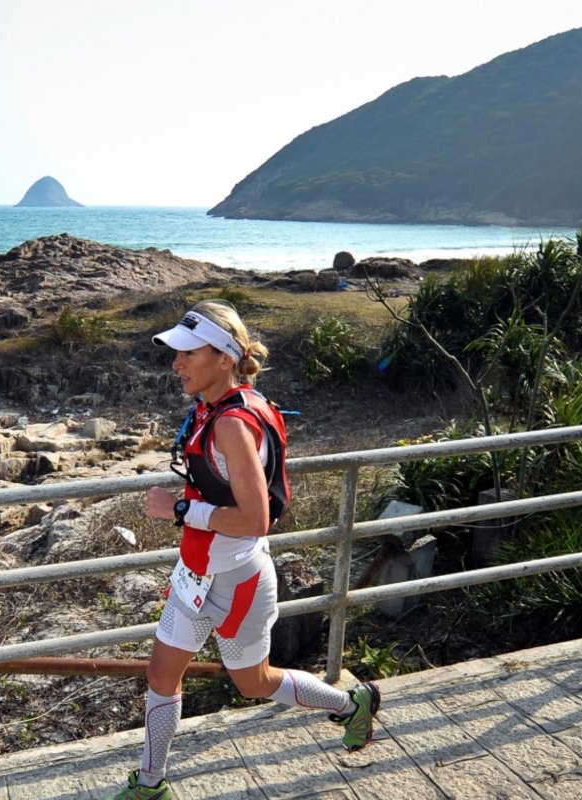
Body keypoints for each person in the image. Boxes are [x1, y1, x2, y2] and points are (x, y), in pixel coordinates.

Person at [111, 301, 380, 800]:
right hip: (196, 574)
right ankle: (150, 784)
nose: (177, 363)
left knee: (254, 683)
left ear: (225, 358)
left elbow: (255, 519)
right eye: (176, 352)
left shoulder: (232, 424)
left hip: (238, 583)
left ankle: (350, 705)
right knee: (162, 674)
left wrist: (178, 509)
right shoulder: (222, 406)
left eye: (189, 353)